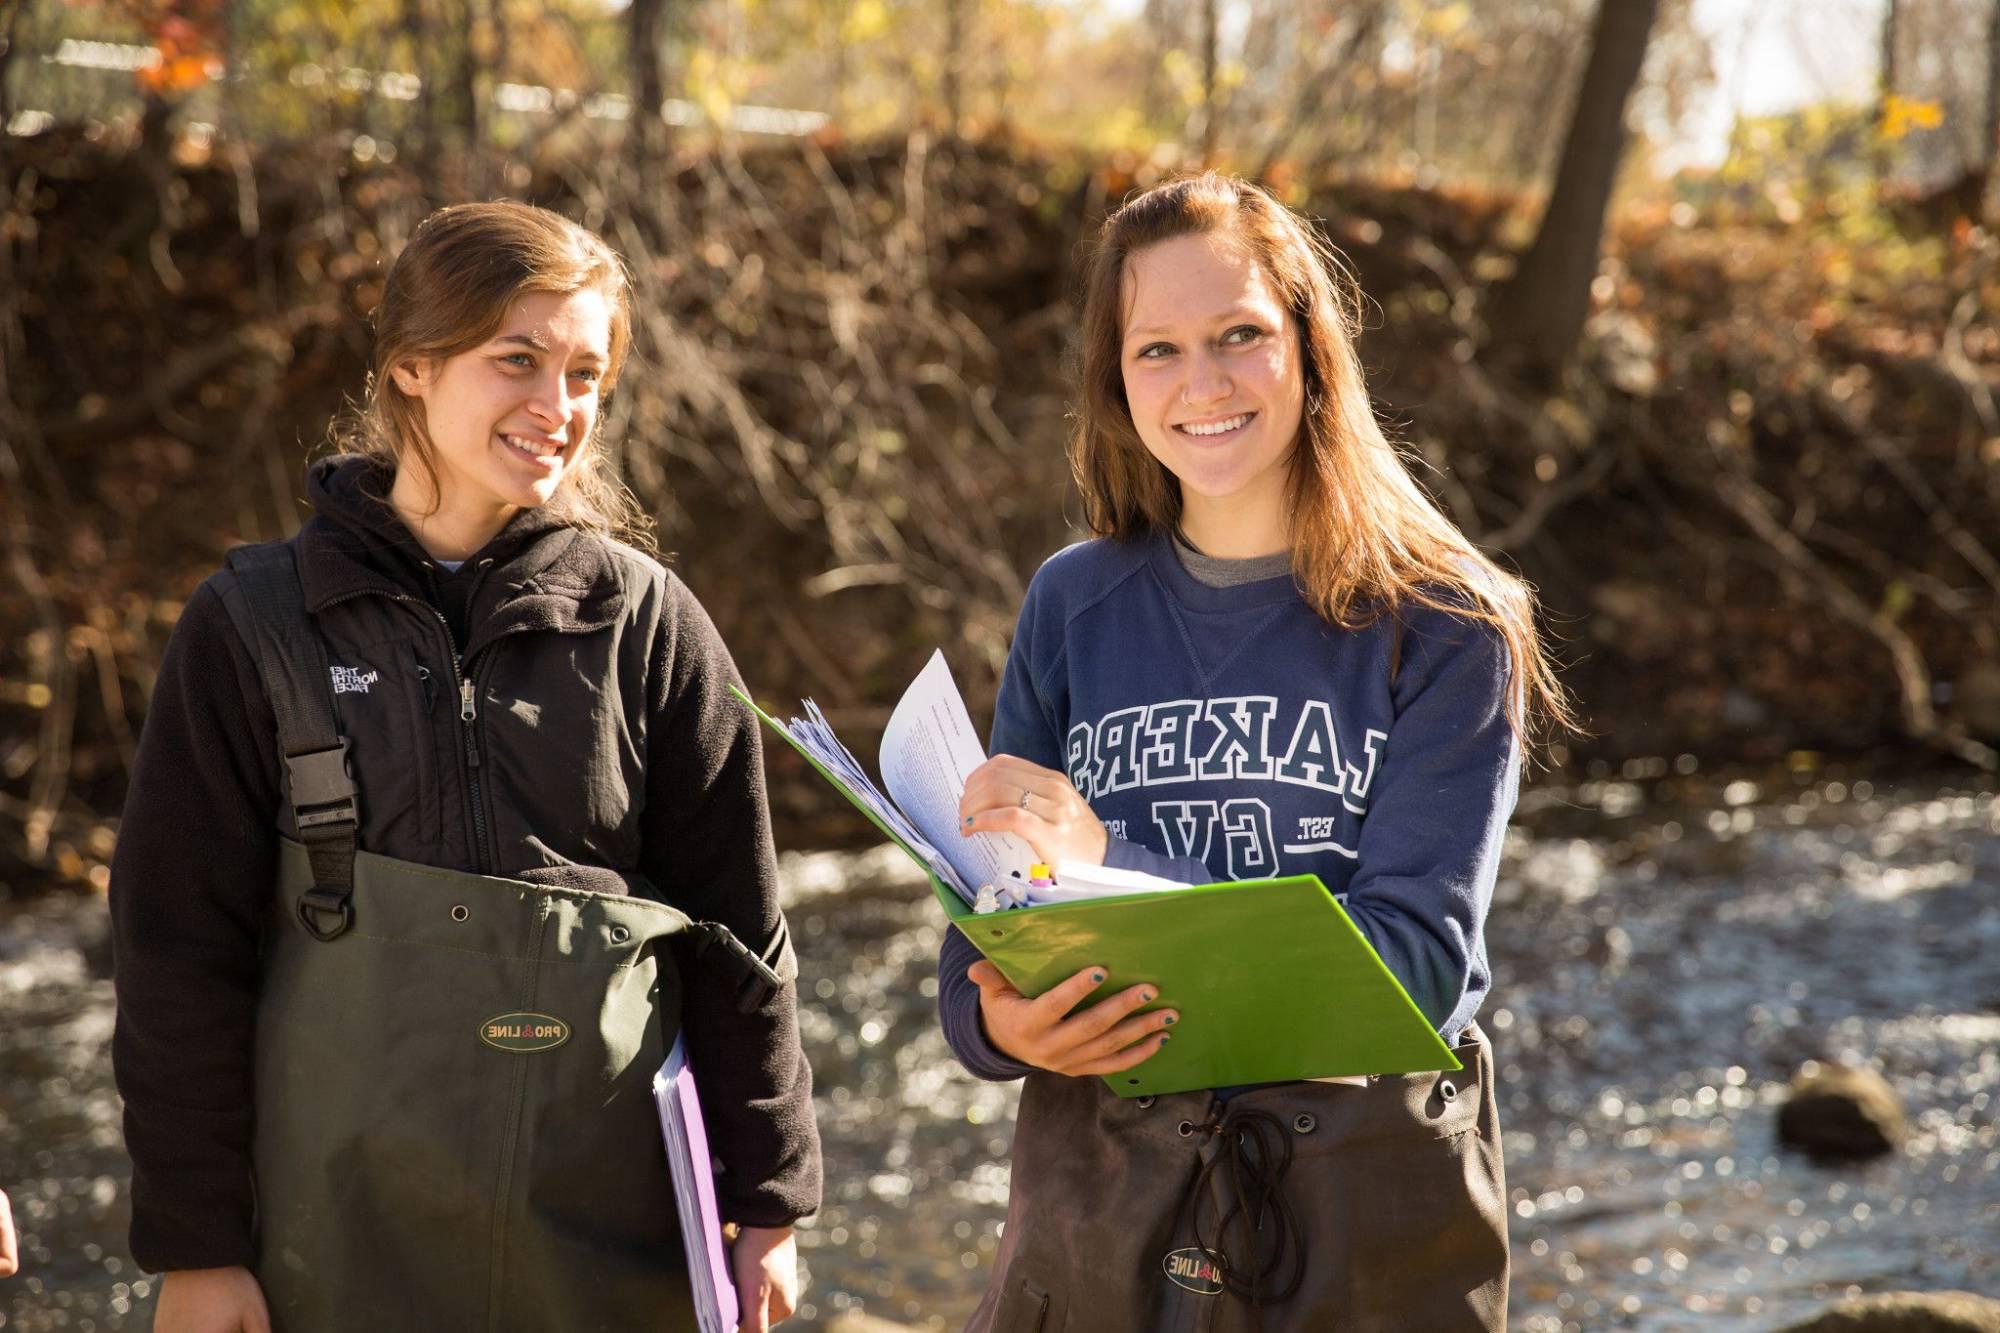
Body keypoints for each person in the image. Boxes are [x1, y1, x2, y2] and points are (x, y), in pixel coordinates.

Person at [110, 201, 819, 1332]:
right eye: (518, 361)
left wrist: (769, 1205)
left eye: (586, 373)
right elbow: (173, 959)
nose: (559, 407)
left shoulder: (651, 624)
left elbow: (740, 934)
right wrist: (196, 1248)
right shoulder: (249, 625)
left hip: (612, 1242)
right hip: (330, 1244)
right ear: (410, 369)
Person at [938, 173, 1574, 1331]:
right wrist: (995, 1024)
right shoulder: (1070, 602)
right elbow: (980, 935)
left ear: (1309, 349)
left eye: (1239, 335)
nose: (1202, 384)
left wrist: (1111, 858)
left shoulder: (1447, 619)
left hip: (1354, 1225)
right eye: (1157, 350)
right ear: (1113, 377)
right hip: (1096, 1214)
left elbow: (1409, 975)